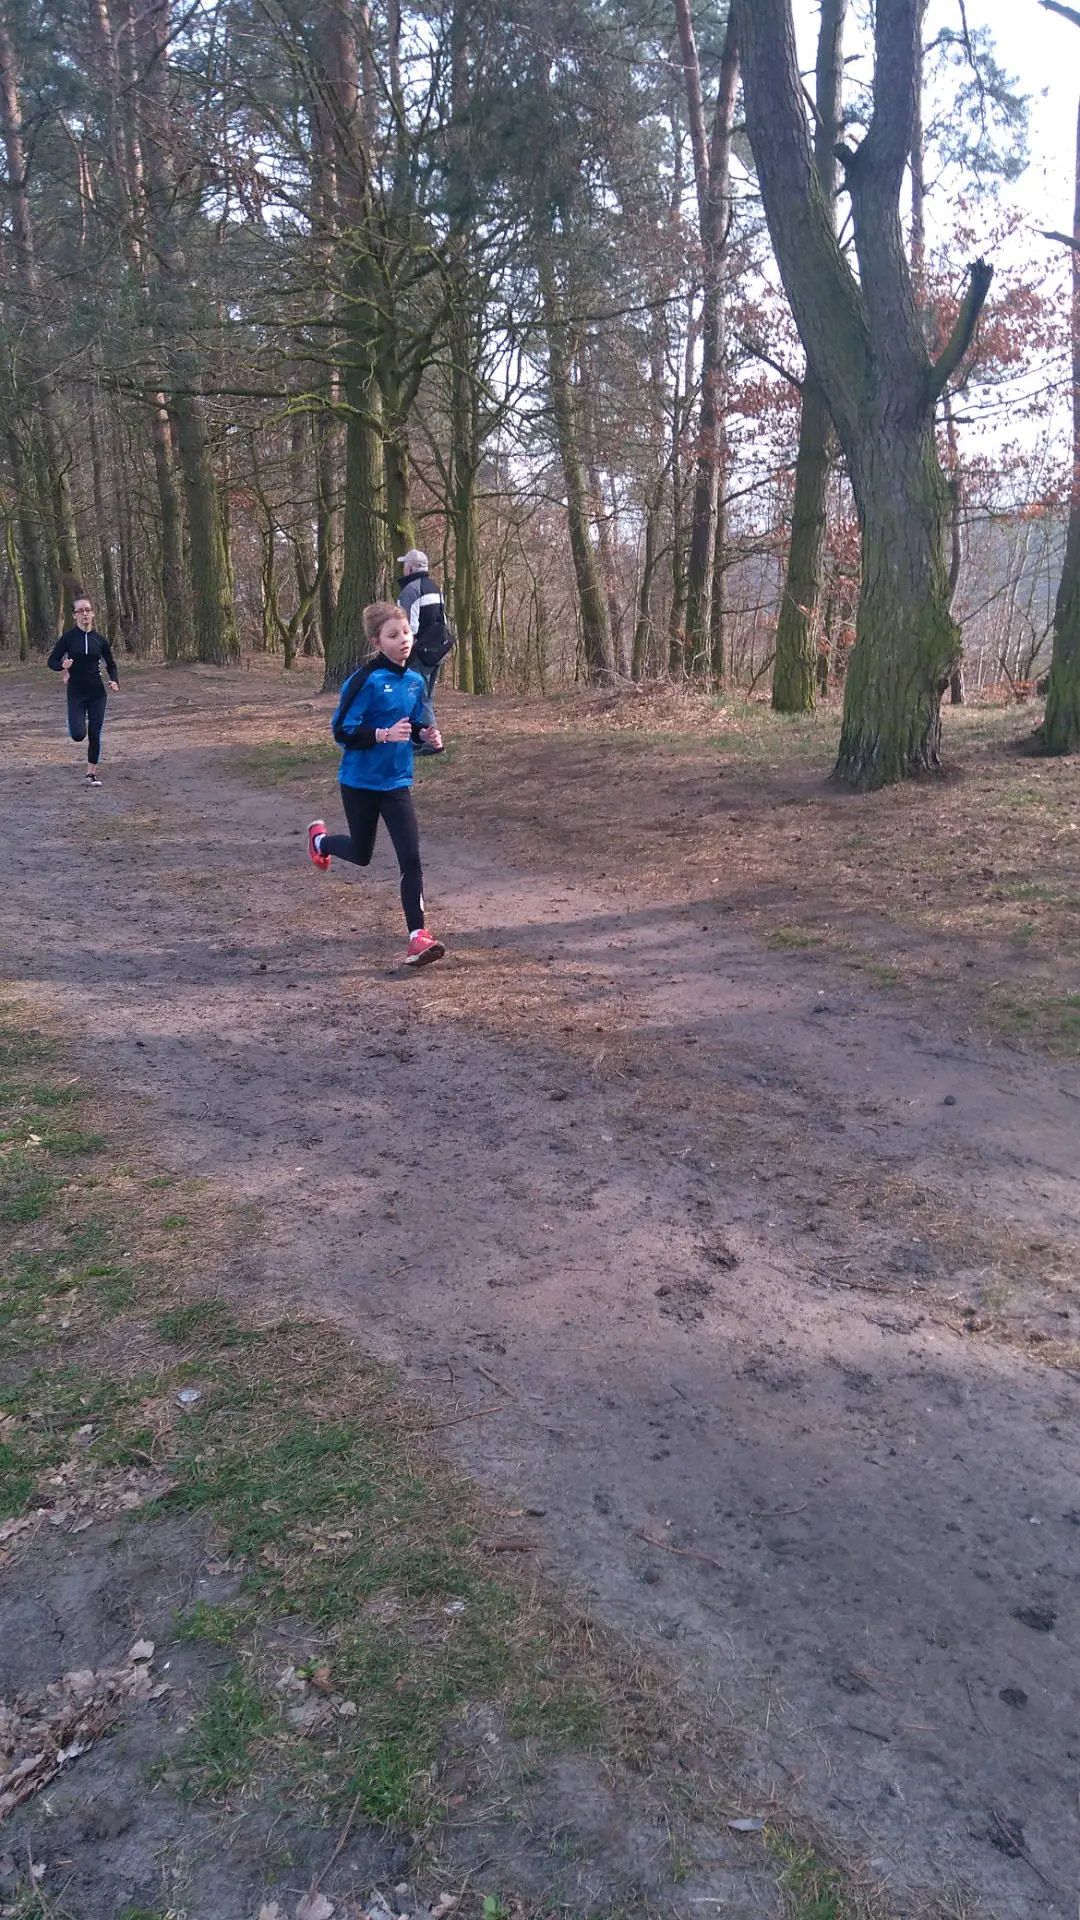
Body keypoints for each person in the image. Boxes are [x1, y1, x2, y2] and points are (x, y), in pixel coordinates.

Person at [307, 600, 446, 967]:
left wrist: (425, 735)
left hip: (396, 782)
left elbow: (412, 724)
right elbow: (342, 731)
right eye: (393, 635)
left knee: (411, 858)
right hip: (360, 783)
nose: (404, 640)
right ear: (376, 642)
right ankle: (320, 841)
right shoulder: (364, 681)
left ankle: (417, 937)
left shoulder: (415, 682)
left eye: (406, 632)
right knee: (361, 853)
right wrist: (382, 734)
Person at [47, 593, 119, 787]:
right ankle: (74, 721)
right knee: (78, 734)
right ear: (75, 615)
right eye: (80, 611)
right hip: (76, 693)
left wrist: (114, 680)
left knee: (95, 732)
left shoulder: (100, 640)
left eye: (87, 610)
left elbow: (111, 664)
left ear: (93, 614)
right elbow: (51, 661)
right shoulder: (68, 639)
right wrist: (62, 666)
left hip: (97, 693)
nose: (85, 614)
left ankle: (91, 774)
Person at [396, 548, 454, 749]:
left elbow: (408, 629)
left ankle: (432, 743)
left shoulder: (410, 591)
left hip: (419, 654)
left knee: (420, 700)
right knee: (425, 698)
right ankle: (421, 739)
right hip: (436, 652)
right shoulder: (435, 588)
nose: (403, 569)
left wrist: (402, 655)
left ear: (410, 569)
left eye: (405, 565)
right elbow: (442, 621)